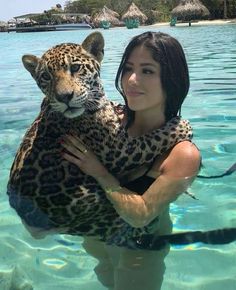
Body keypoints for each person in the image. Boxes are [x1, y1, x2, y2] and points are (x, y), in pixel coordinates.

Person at [61, 31, 201, 290]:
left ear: (172, 80)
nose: (132, 80)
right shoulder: (108, 119)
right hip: (97, 237)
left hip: (140, 249)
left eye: (147, 71)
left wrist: (99, 172)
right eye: (128, 68)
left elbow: (142, 215)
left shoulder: (182, 153)